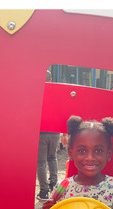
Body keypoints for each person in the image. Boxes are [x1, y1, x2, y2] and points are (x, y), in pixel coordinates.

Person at [37, 70, 60, 200]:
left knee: (41, 163)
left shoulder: (36, 93)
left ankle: (44, 191)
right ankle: (53, 185)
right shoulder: (56, 93)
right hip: (55, 132)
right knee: (52, 157)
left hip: (41, 131)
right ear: (50, 80)